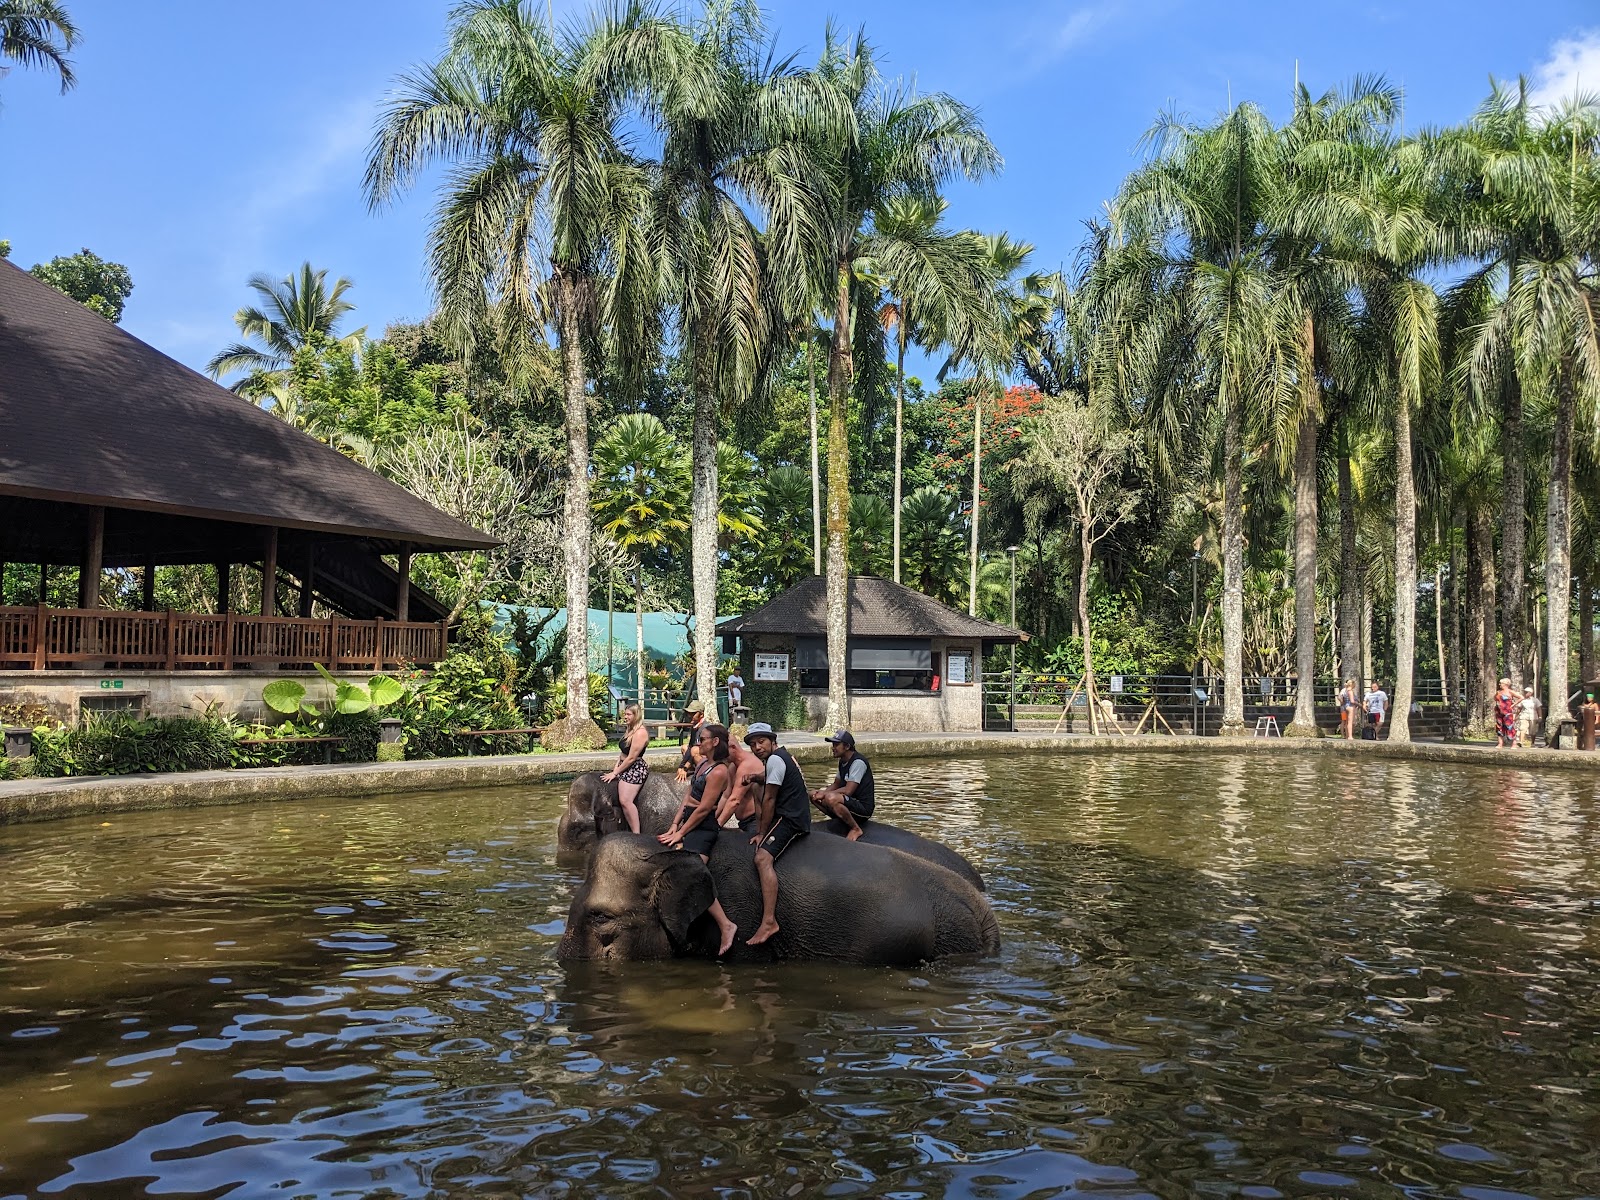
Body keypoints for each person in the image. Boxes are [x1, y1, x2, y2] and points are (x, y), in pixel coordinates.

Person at [657, 723, 738, 955]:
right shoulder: (703, 764)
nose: (698, 743)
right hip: (689, 822)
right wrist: (674, 825)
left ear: (715, 742)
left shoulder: (720, 771)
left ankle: (726, 924)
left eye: (702, 739)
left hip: (703, 828)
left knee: (694, 874)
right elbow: (688, 798)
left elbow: (704, 809)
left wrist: (681, 834)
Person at [743, 722, 810, 947]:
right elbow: (769, 777)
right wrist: (754, 777)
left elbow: (769, 798)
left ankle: (769, 921)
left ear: (773, 741)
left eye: (761, 742)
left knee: (762, 858)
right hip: (794, 813)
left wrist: (762, 832)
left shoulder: (775, 760)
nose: (757, 747)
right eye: (752, 744)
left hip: (790, 819)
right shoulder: (782, 757)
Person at [810, 729, 874, 840]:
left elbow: (848, 790)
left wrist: (826, 794)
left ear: (847, 746)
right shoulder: (842, 761)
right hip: (847, 802)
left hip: (862, 808)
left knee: (830, 798)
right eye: (833, 744)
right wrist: (821, 792)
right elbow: (836, 784)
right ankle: (840, 819)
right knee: (812, 794)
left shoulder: (858, 762)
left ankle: (855, 829)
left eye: (836, 745)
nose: (833, 748)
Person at [599, 703, 649, 834]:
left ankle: (636, 834)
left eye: (628, 714)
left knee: (625, 801)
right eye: (625, 714)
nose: (625, 717)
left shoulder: (640, 733)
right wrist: (616, 768)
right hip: (624, 765)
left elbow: (632, 757)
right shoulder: (629, 729)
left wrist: (615, 773)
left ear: (636, 715)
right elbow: (622, 753)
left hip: (635, 768)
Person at [674, 699, 708, 780]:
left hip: (707, 759)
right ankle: (694, 768)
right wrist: (681, 766)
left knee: (695, 750)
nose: (690, 716)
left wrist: (685, 768)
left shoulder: (705, 729)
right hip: (697, 754)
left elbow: (695, 751)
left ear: (701, 715)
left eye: (693, 713)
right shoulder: (694, 727)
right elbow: (690, 747)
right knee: (684, 747)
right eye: (689, 713)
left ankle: (702, 773)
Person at [1494, 678, 1518, 748]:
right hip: (1499, 711)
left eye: (1500, 683)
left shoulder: (1510, 692)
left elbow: (1521, 697)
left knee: (1509, 726)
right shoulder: (1498, 692)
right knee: (1499, 727)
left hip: (1507, 712)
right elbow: (1495, 699)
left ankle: (1514, 744)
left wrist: (1513, 705)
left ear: (1505, 684)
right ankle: (1500, 743)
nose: (1499, 685)